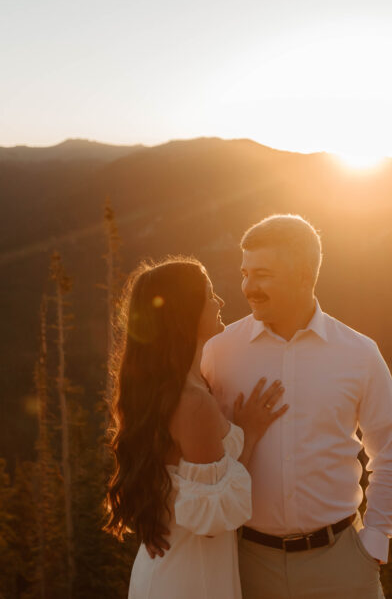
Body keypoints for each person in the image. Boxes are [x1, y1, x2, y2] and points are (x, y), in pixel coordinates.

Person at [202, 215, 392, 599]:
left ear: (303, 276)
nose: (247, 288)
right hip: (245, 563)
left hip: (342, 565)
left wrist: (375, 540)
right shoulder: (219, 352)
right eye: (245, 273)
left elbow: (390, 452)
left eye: (262, 274)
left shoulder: (359, 353)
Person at [103, 257, 288, 599]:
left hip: (174, 565)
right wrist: (248, 434)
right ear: (184, 312)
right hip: (191, 575)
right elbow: (212, 519)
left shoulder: (180, 386)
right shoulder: (192, 401)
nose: (219, 302)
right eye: (209, 294)